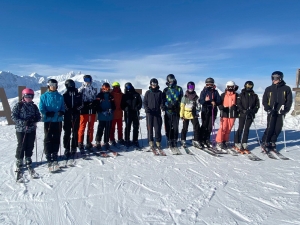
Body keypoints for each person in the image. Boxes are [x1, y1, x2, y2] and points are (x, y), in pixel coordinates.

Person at [11, 88, 41, 179]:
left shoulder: (34, 106)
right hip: (21, 129)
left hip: (31, 129)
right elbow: (13, 116)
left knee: (30, 144)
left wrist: (35, 119)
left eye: (31, 96)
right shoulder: (19, 105)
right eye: (27, 96)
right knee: (21, 144)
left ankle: (28, 157)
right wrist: (23, 122)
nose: (29, 98)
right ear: (23, 96)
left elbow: (38, 116)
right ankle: (19, 159)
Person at [261, 71, 292, 152]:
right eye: (273, 78)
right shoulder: (269, 89)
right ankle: (265, 141)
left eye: (276, 78)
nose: (274, 80)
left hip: (280, 112)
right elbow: (264, 100)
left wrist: (285, 110)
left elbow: (289, 101)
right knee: (270, 127)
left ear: (280, 78)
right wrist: (268, 108)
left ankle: (273, 142)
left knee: (278, 128)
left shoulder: (286, 88)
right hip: (271, 111)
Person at [39, 79, 65, 170]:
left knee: (57, 137)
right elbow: (41, 108)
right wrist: (46, 113)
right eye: (51, 84)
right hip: (48, 120)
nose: (53, 86)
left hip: (58, 120)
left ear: (57, 86)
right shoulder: (44, 96)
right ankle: (48, 154)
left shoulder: (60, 97)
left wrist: (62, 112)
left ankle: (55, 153)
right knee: (48, 138)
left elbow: (63, 107)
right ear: (48, 86)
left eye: (54, 84)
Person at [234, 81, 260, 153]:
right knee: (241, 128)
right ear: (245, 86)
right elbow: (238, 104)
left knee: (246, 129)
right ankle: (237, 142)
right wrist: (243, 110)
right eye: (248, 86)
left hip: (250, 115)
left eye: (250, 86)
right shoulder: (241, 94)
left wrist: (253, 111)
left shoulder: (254, 95)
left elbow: (257, 105)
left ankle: (244, 142)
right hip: (242, 114)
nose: (249, 87)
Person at [62, 79, 83, 161]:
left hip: (76, 115)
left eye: (72, 84)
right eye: (69, 85)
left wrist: (76, 109)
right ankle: (67, 148)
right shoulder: (65, 95)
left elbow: (82, 104)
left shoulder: (78, 94)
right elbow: (63, 104)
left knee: (75, 132)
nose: (71, 86)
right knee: (67, 132)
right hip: (67, 116)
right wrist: (68, 110)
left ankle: (73, 147)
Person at [215, 81, 239, 151]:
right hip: (224, 113)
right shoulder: (223, 95)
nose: (230, 88)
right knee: (223, 128)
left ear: (234, 87)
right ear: (226, 87)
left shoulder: (236, 95)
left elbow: (239, 104)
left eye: (232, 86)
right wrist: (220, 106)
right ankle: (219, 141)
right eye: (229, 87)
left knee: (229, 129)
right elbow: (219, 102)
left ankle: (225, 140)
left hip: (232, 114)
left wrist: (236, 107)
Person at [77, 75, 98, 155]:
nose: (87, 81)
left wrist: (94, 104)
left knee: (91, 127)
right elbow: (78, 99)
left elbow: (96, 98)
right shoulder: (81, 89)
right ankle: (80, 143)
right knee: (82, 127)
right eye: (85, 79)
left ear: (91, 80)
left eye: (88, 79)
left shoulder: (93, 89)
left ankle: (89, 142)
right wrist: (84, 104)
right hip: (83, 111)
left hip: (91, 111)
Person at [199, 77, 221, 148]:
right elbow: (201, 101)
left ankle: (207, 138)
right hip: (205, 110)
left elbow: (219, 100)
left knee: (210, 126)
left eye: (210, 85)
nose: (209, 86)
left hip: (213, 110)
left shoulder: (215, 92)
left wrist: (215, 102)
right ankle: (201, 139)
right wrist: (205, 100)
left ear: (213, 85)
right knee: (204, 125)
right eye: (208, 84)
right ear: (206, 85)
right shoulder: (203, 92)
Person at [162, 74, 183, 149]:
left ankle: (175, 139)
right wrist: (166, 105)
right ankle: (169, 139)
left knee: (175, 126)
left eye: (172, 80)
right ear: (167, 81)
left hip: (176, 111)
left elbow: (182, 99)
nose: (171, 81)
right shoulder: (165, 90)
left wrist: (178, 106)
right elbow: (163, 100)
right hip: (168, 111)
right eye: (170, 80)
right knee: (168, 126)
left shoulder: (179, 89)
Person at [180, 81, 202, 149]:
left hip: (193, 114)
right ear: (187, 87)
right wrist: (181, 115)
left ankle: (196, 140)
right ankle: (183, 139)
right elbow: (182, 106)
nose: (191, 88)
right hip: (186, 114)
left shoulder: (196, 97)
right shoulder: (185, 97)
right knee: (185, 128)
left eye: (192, 87)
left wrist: (197, 112)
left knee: (196, 127)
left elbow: (199, 106)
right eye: (189, 87)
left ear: (194, 87)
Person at [144, 78, 164, 150]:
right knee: (150, 128)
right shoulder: (148, 93)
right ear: (150, 84)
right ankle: (151, 141)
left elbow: (162, 102)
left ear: (157, 84)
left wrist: (162, 107)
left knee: (157, 128)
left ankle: (158, 141)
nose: (154, 86)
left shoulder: (159, 93)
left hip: (157, 112)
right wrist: (146, 108)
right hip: (149, 113)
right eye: (152, 84)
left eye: (155, 84)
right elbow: (145, 102)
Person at [121, 82, 143, 149]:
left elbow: (140, 103)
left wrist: (138, 107)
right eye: (127, 87)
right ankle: (127, 140)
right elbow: (122, 105)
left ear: (132, 86)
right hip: (128, 113)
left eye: (129, 87)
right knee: (128, 127)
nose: (128, 88)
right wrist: (125, 108)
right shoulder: (125, 96)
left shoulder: (136, 94)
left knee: (136, 127)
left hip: (135, 113)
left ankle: (135, 140)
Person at [95, 83, 116, 151]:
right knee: (100, 129)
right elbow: (97, 105)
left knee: (108, 129)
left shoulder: (111, 96)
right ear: (102, 88)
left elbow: (113, 105)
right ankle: (98, 141)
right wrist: (101, 111)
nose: (106, 90)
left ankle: (106, 141)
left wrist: (111, 110)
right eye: (105, 89)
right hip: (102, 116)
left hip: (109, 116)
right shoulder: (100, 95)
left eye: (107, 89)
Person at [109, 81, 125, 146]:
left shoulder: (122, 94)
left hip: (119, 113)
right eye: (114, 87)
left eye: (117, 87)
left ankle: (120, 139)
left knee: (120, 128)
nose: (116, 88)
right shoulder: (111, 94)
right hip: (113, 114)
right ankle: (112, 139)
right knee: (112, 127)